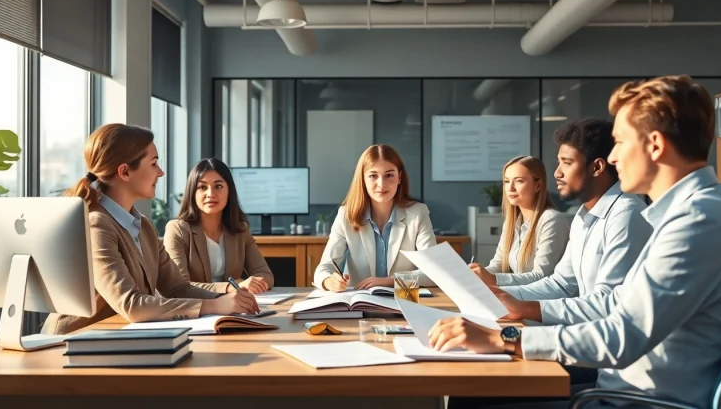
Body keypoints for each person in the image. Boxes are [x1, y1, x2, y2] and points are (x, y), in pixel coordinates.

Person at [429, 75, 721, 409]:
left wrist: (504, 338)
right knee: (472, 392)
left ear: (656, 145)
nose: (613, 158)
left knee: (470, 400)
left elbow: (620, 336)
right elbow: (616, 302)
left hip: (634, 400)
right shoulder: (692, 211)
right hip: (620, 388)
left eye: (620, 142)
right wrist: (522, 308)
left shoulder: (696, 222)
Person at [42, 124, 259, 336]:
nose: (161, 172)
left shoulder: (143, 226)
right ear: (125, 172)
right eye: (154, 163)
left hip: (116, 339)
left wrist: (231, 299)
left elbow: (177, 289)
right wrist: (215, 306)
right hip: (70, 344)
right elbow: (132, 305)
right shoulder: (96, 224)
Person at [495, 118, 652, 328]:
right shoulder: (582, 215)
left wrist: (527, 308)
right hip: (588, 336)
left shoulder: (627, 215)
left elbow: (608, 302)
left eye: (567, 163)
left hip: (609, 349)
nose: (557, 173)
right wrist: (497, 294)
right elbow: (561, 284)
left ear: (597, 167)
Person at [313, 144, 437, 292]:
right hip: (361, 304)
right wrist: (329, 281)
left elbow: (434, 272)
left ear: (399, 178)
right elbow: (324, 268)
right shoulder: (346, 215)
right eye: (373, 176)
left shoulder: (418, 213)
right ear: (363, 180)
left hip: (403, 300)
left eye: (389, 175)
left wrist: (389, 281)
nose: (381, 184)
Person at [164, 158, 274, 294]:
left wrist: (251, 283)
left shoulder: (240, 229)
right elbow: (179, 286)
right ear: (193, 193)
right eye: (202, 187)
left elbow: (266, 275)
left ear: (229, 192)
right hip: (195, 310)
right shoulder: (177, 230)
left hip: (234, 308)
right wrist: (232, 286)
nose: (210, 194)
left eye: (218, 186)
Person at [470, 156, 570, 287]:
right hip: (520, 298)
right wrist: (478, 274)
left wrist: (493, 279)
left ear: (538, 185)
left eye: (519, 181)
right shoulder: (512, 222)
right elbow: (499, 264)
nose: (510, 188)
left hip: (543, 303)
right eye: (506, 181)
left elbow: (542, 276)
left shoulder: (551, 220)